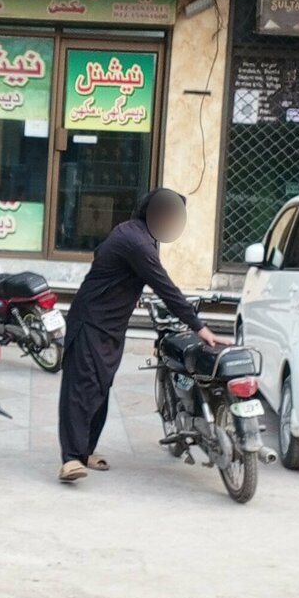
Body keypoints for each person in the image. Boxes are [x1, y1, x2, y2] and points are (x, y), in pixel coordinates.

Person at [58, 188, 224, 484]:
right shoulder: (137, 242)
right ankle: (70, 459)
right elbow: (165, 287)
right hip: (90, 322)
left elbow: (104, 258)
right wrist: (199, 327)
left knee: (100, 387)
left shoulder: (136, 233)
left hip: (111, 325)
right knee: (81, 390)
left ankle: (84, 451)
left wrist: (121, 285)